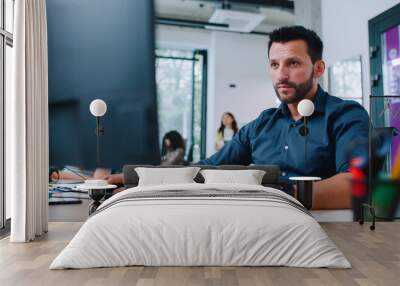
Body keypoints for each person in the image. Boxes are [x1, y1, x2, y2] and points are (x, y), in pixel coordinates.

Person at [197, 25, 369, 210]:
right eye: (274, 65)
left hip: (321, 230)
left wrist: (280, 195)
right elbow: (209, 168)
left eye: (293, 63)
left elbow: (356, 185)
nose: (281, 75)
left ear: (318, 69)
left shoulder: (345, 115)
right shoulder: (261, 124)